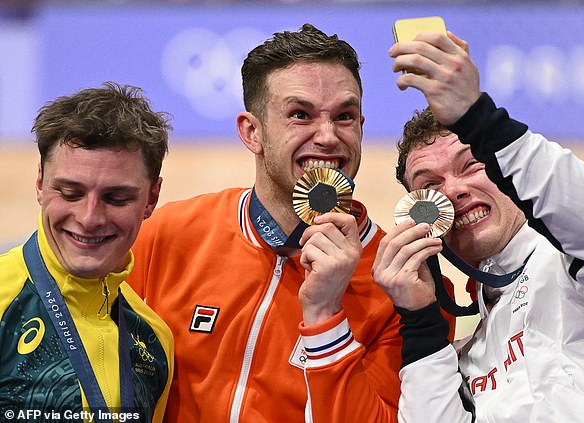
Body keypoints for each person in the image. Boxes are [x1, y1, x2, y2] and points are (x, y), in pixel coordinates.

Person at [128, 23, 458, 422]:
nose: (328, 136)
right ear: (252, 132)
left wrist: (326, 314)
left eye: (344, 116)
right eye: (300, 115)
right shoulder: (169, 234)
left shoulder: (406, 283)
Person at [372, 30, 584, 422]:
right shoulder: (469, 351)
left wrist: (480, 122)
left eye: (471, 164)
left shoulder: (579, 252)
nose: (455, 191)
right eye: (430, 186)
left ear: (503, 168)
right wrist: (421, 323)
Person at [0, 82, 174, 422]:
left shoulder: (154, 340)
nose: (89, 218)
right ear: (40, 183)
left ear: (150, 199)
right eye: (70, 192)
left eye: (116, 198)